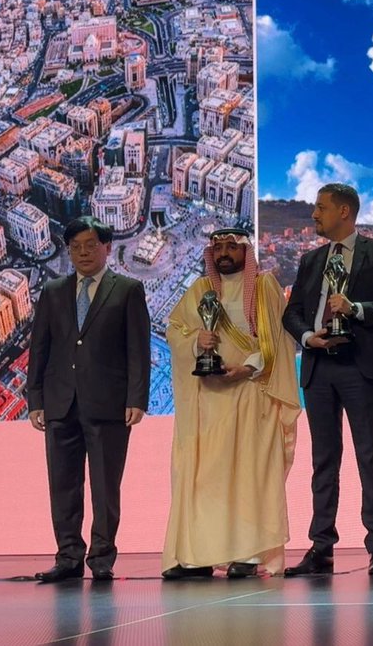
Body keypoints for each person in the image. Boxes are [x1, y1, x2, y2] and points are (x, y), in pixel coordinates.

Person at [282, 183, 373, 576]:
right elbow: (293, 314)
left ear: (344, 211)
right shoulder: (310, 260)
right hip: (319, 367)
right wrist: (308, 337)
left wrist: (355, 308)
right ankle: (321, 547)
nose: (314, 215)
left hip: (361, 366)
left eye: (320, 208)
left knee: (370, 456)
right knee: (324, 461)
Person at [162, 228, 301, 579]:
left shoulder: (266, 286)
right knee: (205, 477)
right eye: (218, 247)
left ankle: (250, 555)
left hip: (254, 393)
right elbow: (175, 329)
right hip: (210, 399)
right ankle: (198, 556)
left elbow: (280, 340)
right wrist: (197, 341)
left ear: (245, 252)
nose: (224, 253)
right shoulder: (200, 290)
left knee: (250, 475)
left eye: (231, 247)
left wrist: (247, 367)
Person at [26, 216, 149, 582]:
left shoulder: (127, 289)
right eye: (75, 247)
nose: (82, 253)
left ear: (107, 247)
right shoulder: (53, 291)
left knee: (104, 486)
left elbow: (138, 350)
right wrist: (35, 400)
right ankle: (68, 556)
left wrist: (137, 398)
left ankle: (101, 558)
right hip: (60, 402)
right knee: (63, 484)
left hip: (109, 404)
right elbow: (39, 349)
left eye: (90, 245)